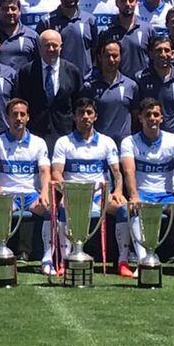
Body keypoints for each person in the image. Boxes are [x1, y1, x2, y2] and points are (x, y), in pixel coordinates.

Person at [120, 98, 174, 279]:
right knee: (132, 209)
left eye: (156, 115)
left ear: (162, 118)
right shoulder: (129, 142)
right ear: (140, 118)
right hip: (143, 195)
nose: (152, 118)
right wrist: (134, 196)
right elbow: (129, 171)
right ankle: (143, 262)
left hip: (167, 196)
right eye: (148, 115)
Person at [51, 98, 122, 275]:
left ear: (95, 116)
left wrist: (118, 191)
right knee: (61, 209)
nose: (85, 117)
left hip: (99, 196)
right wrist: (65, 192)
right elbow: (56, 173)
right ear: (74, 117)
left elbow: (117, 173)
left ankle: (123, 261)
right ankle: (65, 260)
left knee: (125, 210)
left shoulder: (106, 142)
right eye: (81, 113)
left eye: (89, 113)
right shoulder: (64, 142)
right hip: (73, 195)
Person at [0, 98, 53, 274]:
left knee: (50, 210)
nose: (19, 118)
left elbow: (45, 171)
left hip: (31, 195)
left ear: (28, 117)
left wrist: (44, 192)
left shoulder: (38, 143)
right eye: (14, 114)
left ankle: (48, 259)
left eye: (22, 114)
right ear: (7, 118)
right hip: (7, 194)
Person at [13, 30, 83, 151]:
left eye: (55, 45)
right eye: (46, 45)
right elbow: (20, 102)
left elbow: (79, 103)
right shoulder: (27, 72)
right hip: (34, 136)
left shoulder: (72, 71)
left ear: (61, 47)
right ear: (39, 47)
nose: (51, 49)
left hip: (65, 136)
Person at [36, 0, 98, 76]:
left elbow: (95, 51)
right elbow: (39, 53)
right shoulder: (47, 22)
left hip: (84, 80)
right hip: (57, 80)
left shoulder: (90, 20)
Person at [81, 40, 138, 146]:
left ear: (121, 57)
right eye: (107, 56)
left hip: (124, 146)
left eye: (115, 56)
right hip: (98, 145)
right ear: (100, 58)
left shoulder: (131, 85)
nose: (112, 60)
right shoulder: (89, 87)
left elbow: (136, 117)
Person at [135, 37, 174, 137]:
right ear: (151, 54)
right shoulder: (140, 79)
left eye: (167, 50)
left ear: (172, 54)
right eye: (158, 50)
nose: (163, 54)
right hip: (145, 139)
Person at [97, 0, 153, 79]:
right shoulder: (107, 32)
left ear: (136, 3)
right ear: (116, 3)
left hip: (143, 85)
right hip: (116, 85)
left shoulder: (147, 29)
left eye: (131, 1)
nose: (127, 4)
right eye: (123, 1)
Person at [0, 0, 38, 71]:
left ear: (19, 12)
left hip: (25, 82)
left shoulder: (32, 36)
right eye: (5, 9)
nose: (10, 12)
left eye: (13, 8)